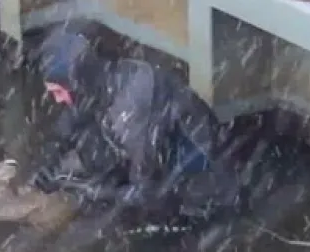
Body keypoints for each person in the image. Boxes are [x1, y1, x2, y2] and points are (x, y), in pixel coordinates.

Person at [30, 27, 246, 230]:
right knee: (91, 146)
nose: (57, 100)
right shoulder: (107, 78)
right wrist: (49, 160)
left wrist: (91, 193)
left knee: (123, 226)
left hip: (204, 191)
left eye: (58, 91)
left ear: (78, 83)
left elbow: (147, 192)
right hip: (160, 159)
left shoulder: (131, 111)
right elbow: (72, 120)